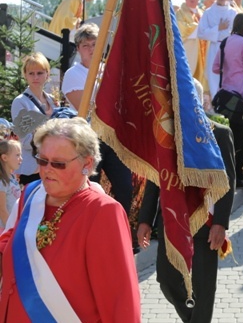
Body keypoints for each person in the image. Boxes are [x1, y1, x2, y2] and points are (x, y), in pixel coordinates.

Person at [0, 117, 141, 321]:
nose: (47, 169)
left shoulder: (103, 212)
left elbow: (120, 301)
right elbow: (11, 243)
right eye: (42, 160)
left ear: (87, 163)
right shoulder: (31, 194)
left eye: (58, 163)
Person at [138, 78, 236, 323]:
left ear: (199, 101)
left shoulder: (219, 134)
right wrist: (145, 220)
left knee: (203, 288)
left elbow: (228, 181)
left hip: (206, 222)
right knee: (167, 281)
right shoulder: (162, 134)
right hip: (171, 222)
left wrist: (221, 223)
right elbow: (154, 179)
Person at [61, 23, 135, 216]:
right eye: (86, 45)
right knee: (90, 189)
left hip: (112, 138)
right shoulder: (73, 74)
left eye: (95, 44)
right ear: (78, 49)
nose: (91, 49)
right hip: (88, 140)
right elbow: (85, 107)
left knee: (125, 188)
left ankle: (120, 234)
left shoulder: (109, 70)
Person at [212, 13, 243, 187]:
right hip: (239, 97)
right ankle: (235, 175)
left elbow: (215, 68)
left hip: (225, 95)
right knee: (240, 137)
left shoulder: (225, 42)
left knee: (231, 133)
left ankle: (231, 172)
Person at [11, 52, 59, 185]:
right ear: (25, 75)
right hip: (33, 169)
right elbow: (25, 139)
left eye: (39, 73)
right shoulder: (20, 102)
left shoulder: (53, 100)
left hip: (53, 166)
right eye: (31, 73)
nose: (35, 77)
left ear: (47, 74)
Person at [197, 0, 237, 99]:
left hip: (229, 48)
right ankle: (216, 103)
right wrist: (218, 28)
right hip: (214, 47)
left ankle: (227, 103)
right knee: (214, 75)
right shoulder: (208, 12)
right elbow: (201, 32)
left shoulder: (232, 12)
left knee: (228, 75)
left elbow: (236, 30)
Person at [176, 0, 206, 83]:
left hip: (202, 47)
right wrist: (197, 27)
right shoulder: (180, 12)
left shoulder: (202, 13)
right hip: (189, 47)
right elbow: (180, 27)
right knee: (189, 71)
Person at [0, 139, 22, 230]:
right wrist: (11, 230)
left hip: (13, 224)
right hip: (5, 230)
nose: (21, 158)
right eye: (17, 155)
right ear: (5, 158)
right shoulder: (2, 182)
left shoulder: (12, 178)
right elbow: (2, 210)